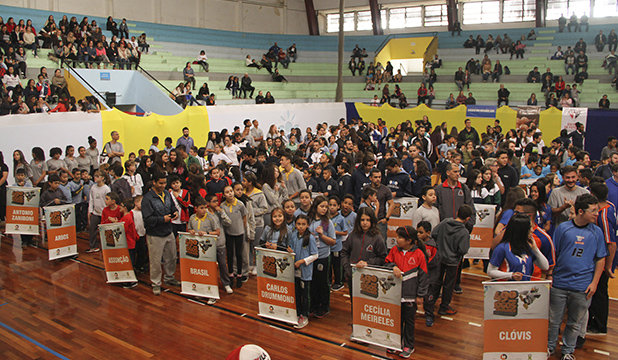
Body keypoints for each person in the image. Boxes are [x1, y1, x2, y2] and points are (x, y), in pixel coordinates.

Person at [548, 194, 607, 359]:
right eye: (593, 210)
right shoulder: (563, 229)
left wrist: (594, 283)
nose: (597, 214)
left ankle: (568, 352)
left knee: (575, 323)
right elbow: (554, 253)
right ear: (581, 211)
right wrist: (551, 275)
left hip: (582, 287)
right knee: (553, 321)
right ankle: (549, 347)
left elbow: (600, 258)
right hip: (559, 284)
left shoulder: (597, 232)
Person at [384, 226, 428, 358]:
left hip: (410, 296)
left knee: (409, 321)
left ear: (409, 241)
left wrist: (420, 295)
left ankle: (408, 345)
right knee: (397, 320)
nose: (396, 239)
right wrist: (394, 267)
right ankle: (395, 342)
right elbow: (386, 263)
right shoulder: (393, 250)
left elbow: (424, 276)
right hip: (395, 295)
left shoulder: (419, 254)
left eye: (400, 237)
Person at [426, 204, 473, 317]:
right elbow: (463, 250)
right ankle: (444, 307)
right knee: (449, 285)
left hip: (439, 258)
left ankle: (430, 302)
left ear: (457, 213)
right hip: (453, 262)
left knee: (436, 281)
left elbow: (434, 234)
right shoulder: (464, 232)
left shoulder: (445, 222)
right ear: (467, 219)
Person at [142, 172, 181, 295]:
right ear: (154, 182)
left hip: (168, 231)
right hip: (155, 234)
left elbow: (173, 207)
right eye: (161, 183)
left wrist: (175, 213)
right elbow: (147, 219)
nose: (163, 185)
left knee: (171, 257)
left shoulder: (167, 194)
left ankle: (169, 278)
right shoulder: (147, 199)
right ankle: (156, 283)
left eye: (165, 183)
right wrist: (162, 219)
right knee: (155, 261)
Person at [488, 213, 549, 281]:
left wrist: (535, 249)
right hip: (507, 289)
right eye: (530, 228)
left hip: (524, 288)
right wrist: (510, 275)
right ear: (522, 230)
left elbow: (545, 266)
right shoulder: (502, 248)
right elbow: (490, 271)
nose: (532, 230)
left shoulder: (527, 247)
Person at [308, 195, 337, 318]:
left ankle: (324, 306)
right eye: (322, 206)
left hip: (323, 256)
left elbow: (333, 241)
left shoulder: (327, 223)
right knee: (312, 281)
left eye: (326, 207)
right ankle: (314, 305)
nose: (325, 209)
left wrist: (322, 235)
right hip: (310, 256)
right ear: (316, 206)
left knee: (323, 283)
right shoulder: (309, 220)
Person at [288, 214, 318, 329]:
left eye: (303, 224)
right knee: (296, 292)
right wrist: (290, 251)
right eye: (298, 224)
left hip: (305, 270)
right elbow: (290, 247)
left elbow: (315, 255)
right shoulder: (293, 235)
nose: (301, 226)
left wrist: (301, 261)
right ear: (295, 224)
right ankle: (297, 312)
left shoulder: (310, 237)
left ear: (308, 225)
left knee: (305, 294)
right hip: (295, 270)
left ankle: (304, 315)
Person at [86, 170, 109, 253]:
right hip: (95, 213)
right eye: (94, 176)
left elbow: (108, 202)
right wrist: (90, 211)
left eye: (97, 176)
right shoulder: (93, 187)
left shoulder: (106, 188)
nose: (95, 177)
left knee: (104, 230)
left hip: (104, 213)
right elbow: (91, 200)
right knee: (92, 229)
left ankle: (107, 246)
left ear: (102, 178)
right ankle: (93, 246)